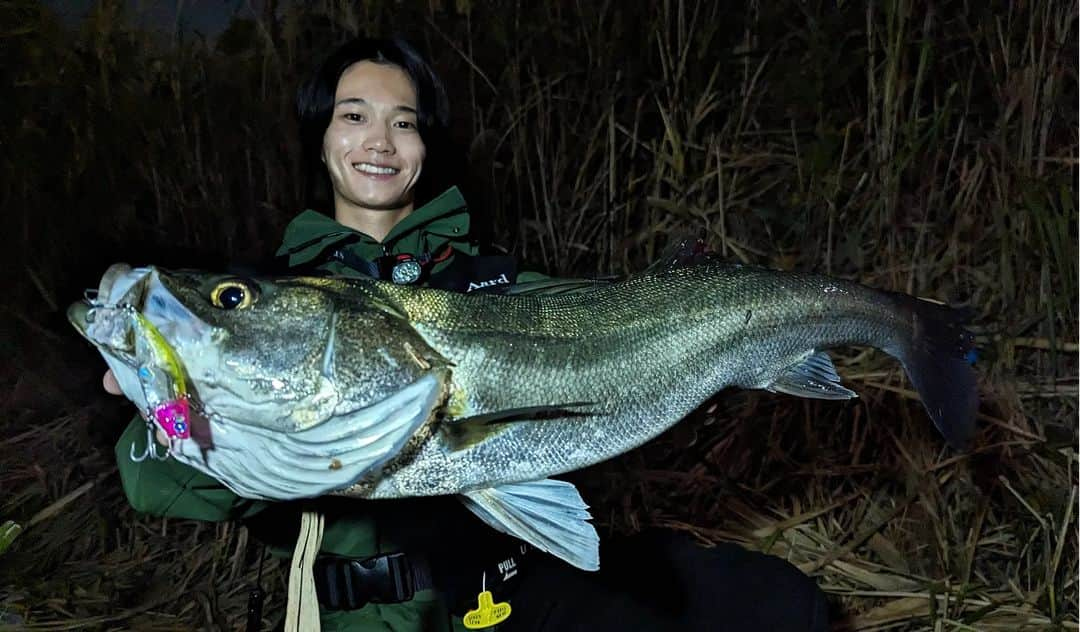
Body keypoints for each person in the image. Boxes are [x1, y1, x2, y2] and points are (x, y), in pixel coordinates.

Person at [103, 37, 829, 631]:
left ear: (426, 144)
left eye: (405, 121)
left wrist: (739, 330)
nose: (379, 141)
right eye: (353, 116)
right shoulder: (275, 293)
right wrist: (166, 407)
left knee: (777, 607)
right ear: (319, 136)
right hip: (370, 618)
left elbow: (620, 323)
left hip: (512, 593)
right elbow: (155, 485)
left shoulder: (491, 282)